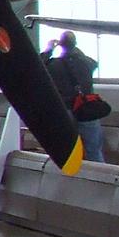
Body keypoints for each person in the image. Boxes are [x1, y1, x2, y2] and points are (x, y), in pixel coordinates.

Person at [42, 31, 106, 165]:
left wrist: (49, 49)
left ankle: (70, 177)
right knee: (94, 150)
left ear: (60, 45)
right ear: (75, 44)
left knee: (67, 149)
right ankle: (99, 178)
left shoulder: (54, 65)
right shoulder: (87, 63)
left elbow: (37, 66)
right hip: (87, 109)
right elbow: (93, 63)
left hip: (65, 109)